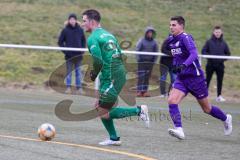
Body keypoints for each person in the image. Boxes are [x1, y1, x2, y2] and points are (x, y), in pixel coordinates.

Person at [81, 9, 150, 146]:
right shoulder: (109, 35)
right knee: (100, 108)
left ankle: (139, 110)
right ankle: (114, 138)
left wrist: (93, 74)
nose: (82, 24)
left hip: (112, 75)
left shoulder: (93, 38)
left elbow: (98, 61)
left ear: (92, 21)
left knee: (102, 110)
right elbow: (118, 54)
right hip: (113, 74)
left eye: (84, 21)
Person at [166, 16, 232, 140]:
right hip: (182, 78)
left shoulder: (186, 37)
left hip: (195, 79)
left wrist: (184, 65)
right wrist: (175, 66)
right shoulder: (170, 40)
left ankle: (226, 118)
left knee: (207, 109)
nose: (171, 27)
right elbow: (175, 55)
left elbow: (194, 54)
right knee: (171, 101)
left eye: (174, 25)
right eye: (170, 25)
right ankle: (179, 130)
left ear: (181, 26)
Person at [58, 13, 86, 94]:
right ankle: (68, 88)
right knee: (69, 72)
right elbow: (60, 42)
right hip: (69, 56)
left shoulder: (80, 30)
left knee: (78, 72)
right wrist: (65, 51)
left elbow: (83, 41)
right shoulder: (65, 30)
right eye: (71, 19)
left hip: (78, 56)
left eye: (74, 19)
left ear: (76, 20)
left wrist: (82, 50)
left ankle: (79, 88)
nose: (72, 21)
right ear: (68, 20)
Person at [202, 26, 231, 102]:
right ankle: (204, 96)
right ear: (213, 32)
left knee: (220, 80)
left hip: (220, 65)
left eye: (219, 32)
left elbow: (228, 54)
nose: (217, 33)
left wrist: (221, 59)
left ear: (221, 33)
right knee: (207, 80)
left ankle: (219, 96)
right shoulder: (209, 42)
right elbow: (204, 51)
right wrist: (210, 58)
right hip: (210, 65)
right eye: (216, 32)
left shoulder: (224, 43)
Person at [136, 26, 158, 97]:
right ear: (146, 33)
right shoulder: (141, 41)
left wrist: (154, 61)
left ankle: (144, 91)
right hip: (142, 62)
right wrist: (139, 59)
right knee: (141, 76)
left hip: (150, 63)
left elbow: (156, 52)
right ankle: (139, 91)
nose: (150, 34)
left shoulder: (154, 42)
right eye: (149, 33)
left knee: (147, 77)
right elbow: (137, 50)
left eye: (151, 33)